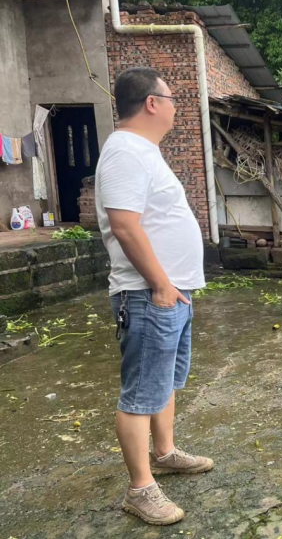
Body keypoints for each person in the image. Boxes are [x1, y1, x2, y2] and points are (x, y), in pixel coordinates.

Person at [96, 67, 213, 526]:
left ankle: (163, 453)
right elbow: (125, 225)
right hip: (149, 293)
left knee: (164, 382)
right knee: (141, 391)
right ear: (151, 102)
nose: (174, 106)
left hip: (170, 292)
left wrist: (174, 285)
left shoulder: (144, 151)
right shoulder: (125, 151)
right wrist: (161, 283)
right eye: (170, 98)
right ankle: (140, 489)